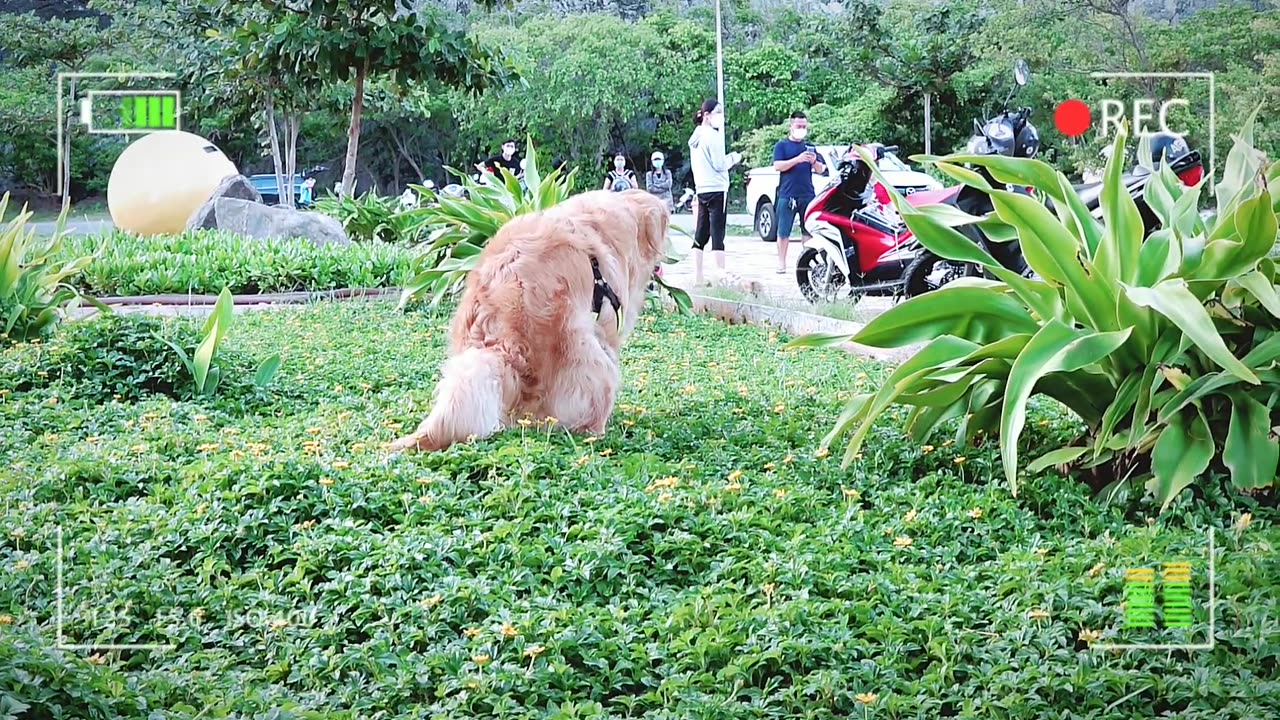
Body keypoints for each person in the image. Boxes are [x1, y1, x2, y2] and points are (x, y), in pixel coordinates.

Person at [687, 98, 743, 286]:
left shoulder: (696, 136)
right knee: (718, 234)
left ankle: (698, 277)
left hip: (701, 188)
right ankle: (721, 277)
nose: (721, 116)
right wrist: (734, 158)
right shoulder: (713, 136)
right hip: (717, 189)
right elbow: (720, 165)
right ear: (707, 115)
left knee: (701, 234)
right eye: (718, 112)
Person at [772, 112, 825, 274]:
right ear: (791, 126)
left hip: (807, 194)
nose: (801, 129)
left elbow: (821, 169)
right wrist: (797, 159)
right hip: (787, 195)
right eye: (798, 126)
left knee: (807, 231)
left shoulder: (810, 148)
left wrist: (813, 161)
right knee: (783, 231)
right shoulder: (782, 146)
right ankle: (781, 262)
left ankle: (807, 262)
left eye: (804, 126)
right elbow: (778, 166)